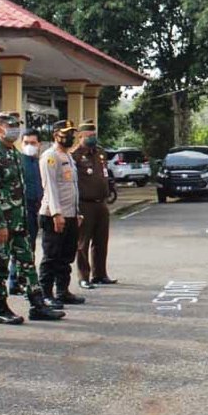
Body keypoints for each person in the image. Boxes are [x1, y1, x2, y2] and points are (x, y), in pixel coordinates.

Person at [0, 112, 65, 323]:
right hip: (1, 224)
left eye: (17, 126)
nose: (15, 130)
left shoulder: (15, 155)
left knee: (27, 263)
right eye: (10, 126)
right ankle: (0, 308)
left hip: (19, 221)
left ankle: (37, 305)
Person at [38, 120, 85, 307]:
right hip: (53, 215)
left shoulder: (68, 157)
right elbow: (50, 188)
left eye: (71, 133)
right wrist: (57, 214)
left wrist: (77, 212)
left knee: (66, 256)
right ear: (55, 135)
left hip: (70, 213)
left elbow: (72, 188)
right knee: (51, 255)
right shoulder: (50, 157)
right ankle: (45, 294)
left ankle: (62, 291)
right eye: (65, 133)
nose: (70, 137)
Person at [73, 119, 117, 289]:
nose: (92, 138)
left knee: (101, 240)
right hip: (85, 203)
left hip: (101, 203)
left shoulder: (100, 153)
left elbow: (104, 174)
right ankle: (84, 276)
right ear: (81, 136)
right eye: (89, 135)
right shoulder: (76, 156)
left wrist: (110, 188)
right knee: (83, 242)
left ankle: (100, 273)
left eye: (94, 135)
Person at [9, 129, 43, 292]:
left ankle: (23, 279)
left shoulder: (37, 162)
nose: (30, 146)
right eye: (26, 143)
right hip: (21, 208)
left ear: (39, 144)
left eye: (33, 143)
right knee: (20, 246)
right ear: (21, 144)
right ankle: (15, 281)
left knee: (30, 246)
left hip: (35, 207)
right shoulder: (18, 161)